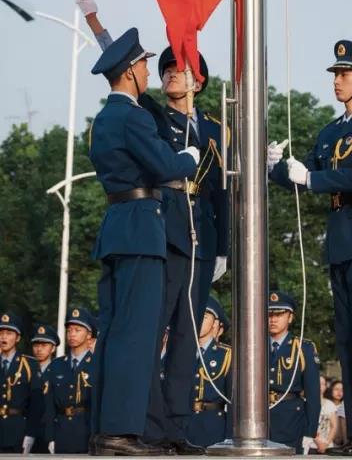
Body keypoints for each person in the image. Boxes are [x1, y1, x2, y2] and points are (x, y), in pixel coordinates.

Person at [77, 0, 228, 454]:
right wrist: (96, 26)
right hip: (160, 233)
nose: (162, 74)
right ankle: (138, 427)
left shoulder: (215, 130)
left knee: (177, 338)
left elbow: (219, 192)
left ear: (198, 81)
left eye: (176, 69)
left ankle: (166, 428)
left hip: (192, 238)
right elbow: (120, 73)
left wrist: (223, 246)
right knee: (142, 335)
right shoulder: (151, 117)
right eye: (156, 68)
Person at [269, 40, 352, 457]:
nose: (336, 81)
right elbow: (304, 173)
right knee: (348, 340)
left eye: (344, 74)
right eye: (335, 75)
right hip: (342, 238)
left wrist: (311, 179)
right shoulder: (331, 131)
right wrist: (274, 167)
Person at [86, 26, 201, 456]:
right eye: (144, 65)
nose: (148, 71)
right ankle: (123, 432)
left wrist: (98, 25)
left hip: (117, 224)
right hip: (141, 228)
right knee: (136, 335)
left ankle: (106, 429)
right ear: (130, 71)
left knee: (115, 334)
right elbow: (161, 165)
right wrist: (187, 159)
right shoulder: (133, 116)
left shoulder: (104, 118)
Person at [0, 312, 43, 453]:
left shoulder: (29, 364)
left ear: (17, 337)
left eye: (9, 333)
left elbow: (36, 404)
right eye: (0, 333)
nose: (4, 337)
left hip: (19, 430)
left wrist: (30, 434)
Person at [266, 290, 322, 452]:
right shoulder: (255, 347)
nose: (273, 319)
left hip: (290, 420)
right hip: (259, 420)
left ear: (290, 317)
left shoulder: (303, 348)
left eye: (280, 314)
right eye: (269, 314)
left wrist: (310, 431)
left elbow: (313, 394)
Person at [43, 306, 97, 454]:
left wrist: (96, 435)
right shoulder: (57, 365)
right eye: (69, 330)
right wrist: (50, 437)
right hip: (62, 432)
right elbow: (49, 404)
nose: (72, 334)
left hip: (86, 432)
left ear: (88, 335)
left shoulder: (97, 364)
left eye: (77, 330)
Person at [185, 297, 232, 450]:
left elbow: (233, 401)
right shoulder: (180, 353)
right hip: (183, 426)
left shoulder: (226, 355)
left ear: (216, 324)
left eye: (204, 317)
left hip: (213, 427)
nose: (198, 320)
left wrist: (231, 437)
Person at [30, 322, 58, 455]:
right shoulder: (26, 370)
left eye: (44, 345)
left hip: (51, 428)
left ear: (53, 348)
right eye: (36, 345)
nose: (39, 349)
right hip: (28, 429)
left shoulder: (58, 370)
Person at [319, 378, 341, 454]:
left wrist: (326, 443)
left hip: (327, 446)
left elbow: (334, 426)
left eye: (323, 384)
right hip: (308, 445)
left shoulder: (330, 404)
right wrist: (318, 441)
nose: (320, 386)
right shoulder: (304, 402)